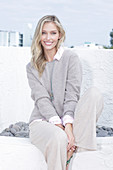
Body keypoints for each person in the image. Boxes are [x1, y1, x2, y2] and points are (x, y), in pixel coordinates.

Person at [26, 15, 104, 170]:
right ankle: (68, 153)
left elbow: (72, 94)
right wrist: (59, 126)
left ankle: (72, 144)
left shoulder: (71, 58)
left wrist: (68, 125)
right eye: (44, 33)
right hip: (42, 122)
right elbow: (41, 98)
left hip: (70, 119)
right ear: (38, 36)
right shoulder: (32, 66)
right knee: (57, 137)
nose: (48, 38)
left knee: (94, 94)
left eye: (53, 33)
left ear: (60, 35)